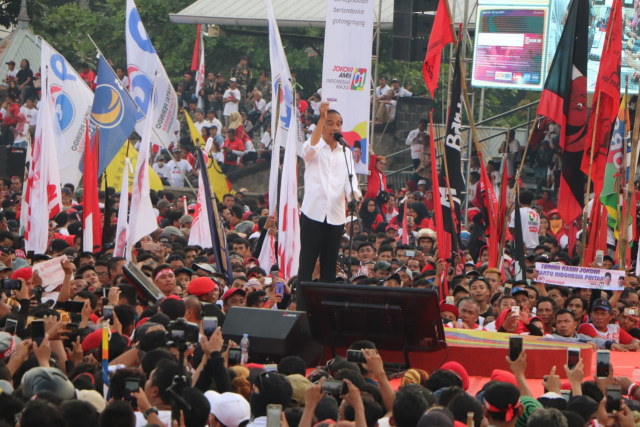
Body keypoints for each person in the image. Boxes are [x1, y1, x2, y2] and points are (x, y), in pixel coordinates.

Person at [298, 102, 361, 284]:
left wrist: (355, 196)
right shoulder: (314, 148)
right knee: (307, 265)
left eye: (339, 124)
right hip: (313, 213)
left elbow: (351, 181)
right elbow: (309, 150)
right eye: (330, 123)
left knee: (329, 267)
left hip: (336, 216)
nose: (335, 127)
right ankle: (302, 308)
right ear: (323, 125)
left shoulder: (346, 153)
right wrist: (321, 118)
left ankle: (324, 309)